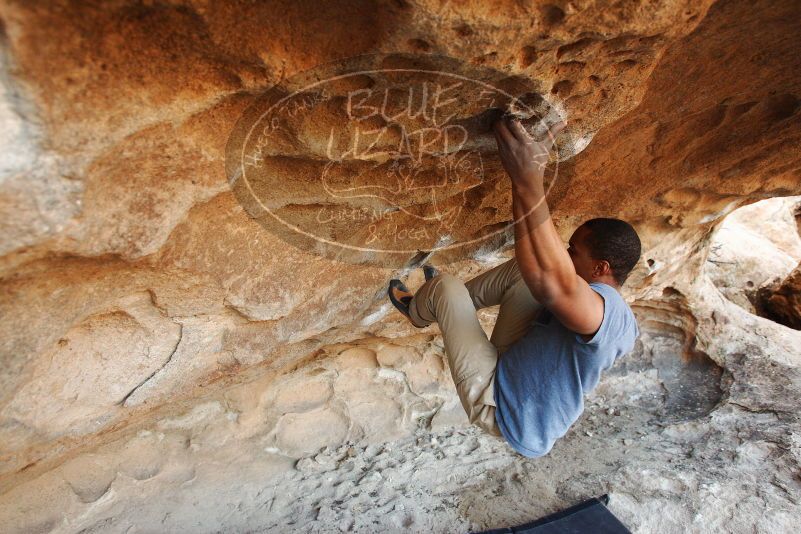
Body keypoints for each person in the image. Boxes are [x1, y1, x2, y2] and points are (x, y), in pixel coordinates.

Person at [387, 116, 641, 457]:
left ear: (601, 268)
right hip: (513, 367)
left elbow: (554, 281)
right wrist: (520, 181)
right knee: (527, 273)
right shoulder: (599, 301)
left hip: (502, 408)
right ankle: (444, 305)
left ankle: (419, 311)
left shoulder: (607, 317)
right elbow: (537, 269)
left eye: (574, 251)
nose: (567, 254)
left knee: (447, 287)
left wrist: (530, 178)